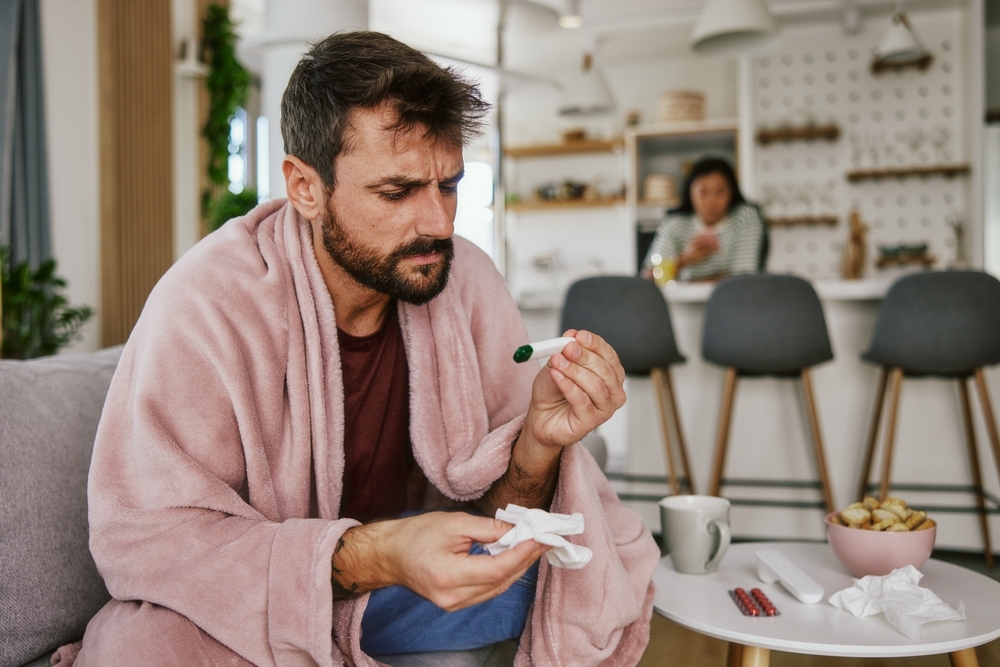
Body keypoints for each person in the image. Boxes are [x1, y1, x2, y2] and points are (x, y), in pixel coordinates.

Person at [59, 32, 659, 667]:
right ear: (305, 186)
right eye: (397, 192)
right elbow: (151, 539)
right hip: (271, 591)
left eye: (449, 185)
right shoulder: (208, 302)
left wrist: (538, 440)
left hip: (398, 592)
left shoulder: (466, 279)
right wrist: (378, 552)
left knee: (577, 576)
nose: (439, 223)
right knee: (141, 646)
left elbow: (497, 512)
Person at [641, 157, 766, 282]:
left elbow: (743, 278)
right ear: (690, 193)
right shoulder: (676, 224)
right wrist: (685, 259)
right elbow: (649, 277)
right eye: (703, 192)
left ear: (732, 191)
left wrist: (688, 281)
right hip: (681, 301)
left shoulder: (745, 217)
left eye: (719, 192)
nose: (711, 201)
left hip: (731, 299)